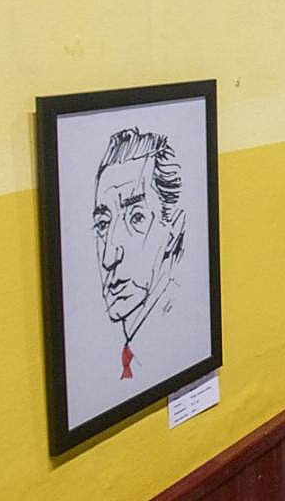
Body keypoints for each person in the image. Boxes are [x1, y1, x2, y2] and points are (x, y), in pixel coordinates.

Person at [92, 127, 187, 380]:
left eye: (136, 218)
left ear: (173, 230)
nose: (109, 257)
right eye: (103, 223)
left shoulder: (180, 336)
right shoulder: (138, 351)